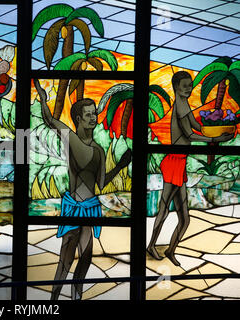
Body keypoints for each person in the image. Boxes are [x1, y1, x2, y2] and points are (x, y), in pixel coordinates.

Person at [34, 79, 131, 300]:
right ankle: (54, 299)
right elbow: (49, 120)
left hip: (90, 208)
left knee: (85, 258)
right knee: (65, 260)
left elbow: (102, 183)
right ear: (78, 118)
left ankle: (76, 295)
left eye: (94, 113)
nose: (93, 117)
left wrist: (120, 165)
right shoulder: (70, 138)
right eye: (88, 114)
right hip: (73, 207)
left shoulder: (98, 150)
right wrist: (41, 95)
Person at [146, 71, 233, 266]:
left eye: (190, 84)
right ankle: (151, 245)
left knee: (184, 218)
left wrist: (219, 123)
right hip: (173, 162)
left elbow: (197, 126)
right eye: (185, 85)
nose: (189, 88)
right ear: (176, 87)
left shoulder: (185, 105)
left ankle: (170, 250)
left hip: (180, 164)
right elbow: (190, 134)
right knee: (164, 209)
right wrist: (215, 139)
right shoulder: (179, 106)